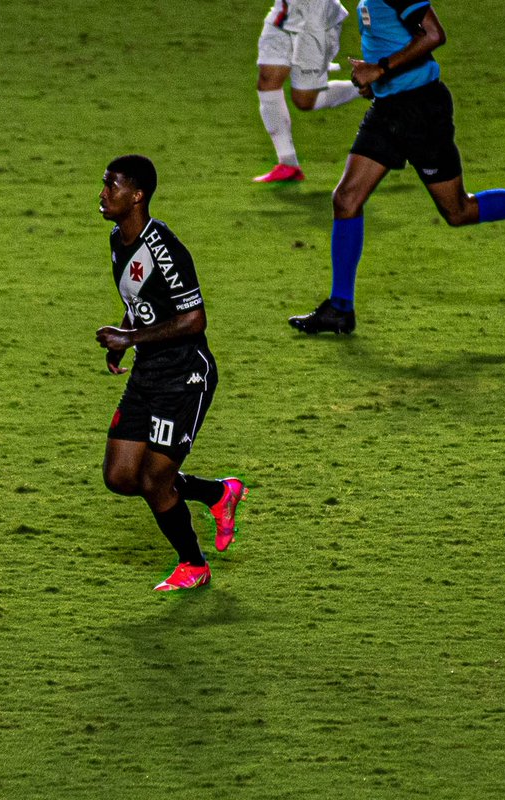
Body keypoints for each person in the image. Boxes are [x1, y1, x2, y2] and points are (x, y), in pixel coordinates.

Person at [288, 0, 505, 334]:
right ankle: (340, 308)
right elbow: (393, 37)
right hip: (388, 110)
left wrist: (380, 69)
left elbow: (433, 34)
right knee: (346, 199)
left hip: (421, 111)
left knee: (458, 211)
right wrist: (375, 78)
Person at [95, 155, 247, 592]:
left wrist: (131, 337)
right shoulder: (118, 238)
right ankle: (217, 494)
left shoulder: (164, 248)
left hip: (184, 377)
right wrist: (124, 334)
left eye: (112, 186)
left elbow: (194, 319)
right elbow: (138, 300)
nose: (102, 194)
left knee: (153, 480)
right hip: (148, 372)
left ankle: (193, 565)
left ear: (137, 195)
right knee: (120, 476)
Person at [254, 0, 365, 183]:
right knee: (267, 81)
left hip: (316, 22)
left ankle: (368, 87)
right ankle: (288, 164)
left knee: (304, 100)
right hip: (283, 16)